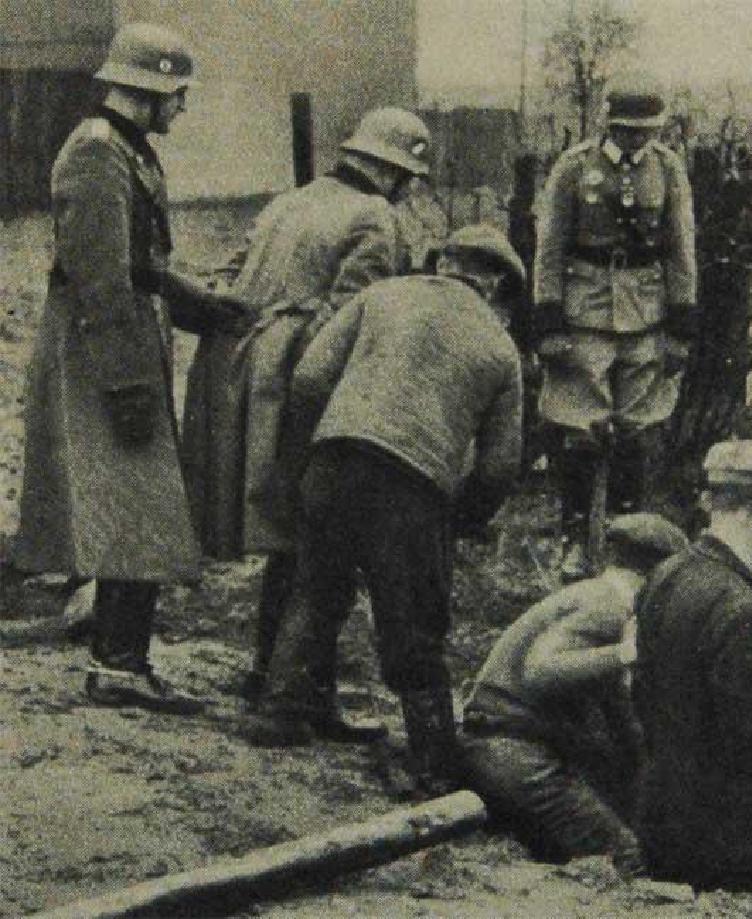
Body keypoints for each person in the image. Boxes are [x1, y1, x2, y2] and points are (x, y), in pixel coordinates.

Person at [13, 22, 253, 714]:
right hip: (99, 348)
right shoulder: (96, 153)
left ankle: (122, 657)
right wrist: (125, 382)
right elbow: (102, 279)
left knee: (139, 500)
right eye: (177, 94)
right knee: (132, 501)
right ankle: (117, 665)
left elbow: (144, 268)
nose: (182, 108)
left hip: (124, 339)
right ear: (146, 91)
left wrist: (204, 306)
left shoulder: (126, 149)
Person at [246, 225, 525, 794]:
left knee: (316, 585)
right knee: (415, 617)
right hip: (413, 485)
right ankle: (432, 756)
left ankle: (280, 710)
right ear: (494, 281)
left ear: (442, 260)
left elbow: (309, 378)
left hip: (335, 457)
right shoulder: (500, 347)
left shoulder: (380, 295)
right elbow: (499, 467)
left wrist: (304, 460)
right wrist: (465, 518)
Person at [180, 107, 432, 714]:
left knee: (290, 535)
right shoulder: (377, 218)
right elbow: (348, 322)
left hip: (242, 366)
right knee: (318, 532)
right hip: (297, 383)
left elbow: (235, 280)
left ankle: (272, 672)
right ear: (398, 172)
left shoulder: (291, 200)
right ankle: (299, 691)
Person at [633, 440, 752, 895]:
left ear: (710, 502)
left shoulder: (666, 575)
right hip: (726, 840)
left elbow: (643, 692)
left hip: (662, 812)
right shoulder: (742, 611)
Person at [532, 75, 697, 579]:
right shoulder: (575, 167)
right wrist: (549, 324)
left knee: (636, 433)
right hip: (585, 313)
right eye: (626, 130)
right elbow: (550, 247)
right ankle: (575, 540)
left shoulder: (668, 170)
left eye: (645, 131)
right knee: (580, 432)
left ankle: (626, 541)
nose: (635, 140)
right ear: (607, 123)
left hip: (645, 316)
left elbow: (681, 248)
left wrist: (680, 327)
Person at [460, 513, 689, 872]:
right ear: (657, 574)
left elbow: (619, 720)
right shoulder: (611, 605)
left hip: (502, 748)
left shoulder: (594, 597)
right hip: (513, 751)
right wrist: (626, 654)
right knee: (627, 857)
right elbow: (540, 670)